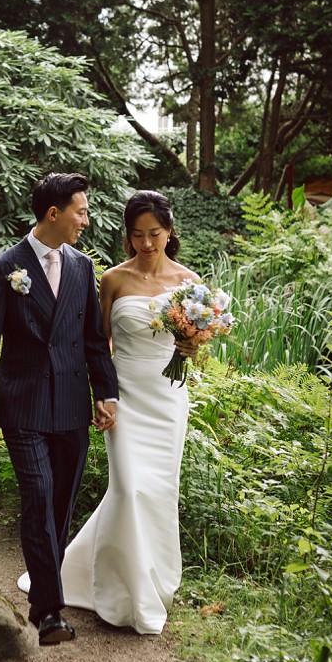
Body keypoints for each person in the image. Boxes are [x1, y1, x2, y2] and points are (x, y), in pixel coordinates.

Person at [0, 172, 120, 646]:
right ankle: (50, 612)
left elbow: (93, 340)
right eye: (81, 211)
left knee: (59, 506)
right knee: (38, 497)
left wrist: (106, 393)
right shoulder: (4, 268)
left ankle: (43, 597)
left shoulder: (82, 267)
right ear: (53, 213)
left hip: (72, 407)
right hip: (23, 404)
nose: (86, 221)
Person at [56, 191, 200, 635]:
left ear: (169, 231)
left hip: (167, 398)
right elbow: (99, 343)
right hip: (123, 395)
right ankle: (120, 593)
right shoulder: (113, 279)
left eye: (154, 233)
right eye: (137, 235)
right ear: (128, 236)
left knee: (157, 492)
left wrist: (191, 346)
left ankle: (151, 584)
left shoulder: (190, 282)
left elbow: (195, 348)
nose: (146, 243)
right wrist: (101, 395)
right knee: (128, 488)